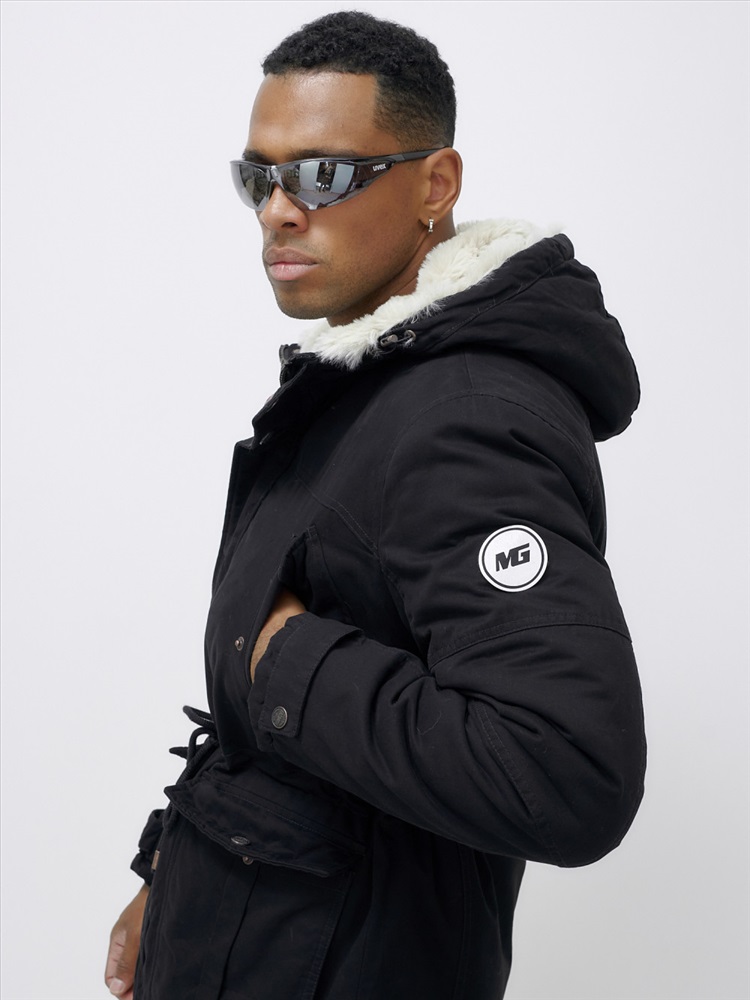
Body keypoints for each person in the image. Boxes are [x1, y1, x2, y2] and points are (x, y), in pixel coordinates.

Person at [105, 11, 646, 999]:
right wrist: (168, 871)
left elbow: (567, 775)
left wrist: (283, 658)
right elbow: (278, 743)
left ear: (435, 185)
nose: (278, 211)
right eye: (259, 178)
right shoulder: (363, 383)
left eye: (322, 175)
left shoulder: (466, 417)